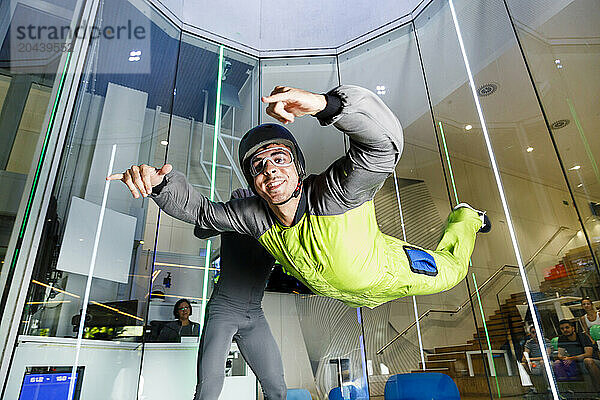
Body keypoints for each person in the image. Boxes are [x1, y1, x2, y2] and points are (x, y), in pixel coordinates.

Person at [108, 85, 490, 308]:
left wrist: (330, 106)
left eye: (279, 159)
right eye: (257, 167)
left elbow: (383, 147)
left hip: (389, 268)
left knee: (453, 272)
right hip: (343, 292)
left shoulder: (334, 194)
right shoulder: (253, 215)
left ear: (298, 167)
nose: (269, 170)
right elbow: (203, 213)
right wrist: (158, 185)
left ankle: (466, 217)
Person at [192, 189, 286, 400]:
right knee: (209, 390)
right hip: (224, 311)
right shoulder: (236, 212)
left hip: (254, 315)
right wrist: (233, 208)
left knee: (277, 389)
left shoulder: (277, 222)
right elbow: (200, 230)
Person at [554, 319, 600, 389]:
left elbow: (588, 354)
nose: (565, 330)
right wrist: (565, 359)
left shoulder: (582, 336)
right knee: (557, 363)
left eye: (567, 327)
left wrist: (571, 358)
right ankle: (567, 390)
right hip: (576, 362)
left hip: (592, 361)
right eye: (562, 329)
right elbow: (560, 355)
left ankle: (598, 389)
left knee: (587, 361)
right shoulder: (562, 339)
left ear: (573, 328)